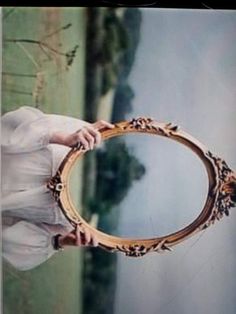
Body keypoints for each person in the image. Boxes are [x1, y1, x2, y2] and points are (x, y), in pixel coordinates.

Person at [1, 106, 114, 271]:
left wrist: (61, 241)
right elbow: (9, 132)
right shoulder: (81, 135)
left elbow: (7, 238)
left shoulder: (72, 225)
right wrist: (63, 138)